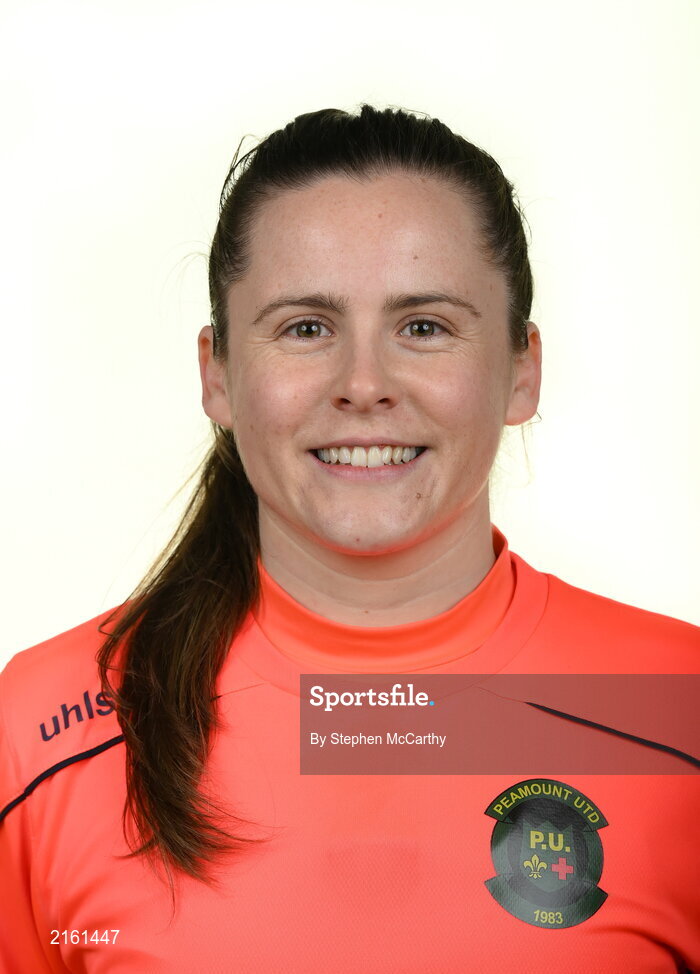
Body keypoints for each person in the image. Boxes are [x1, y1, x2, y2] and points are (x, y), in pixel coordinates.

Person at [1, 104, 698, 973]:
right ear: (217, 374)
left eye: (424, 326)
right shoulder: (45, 732)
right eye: (305, 328)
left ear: (522, 370)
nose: (363, 384)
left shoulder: (680, 709)